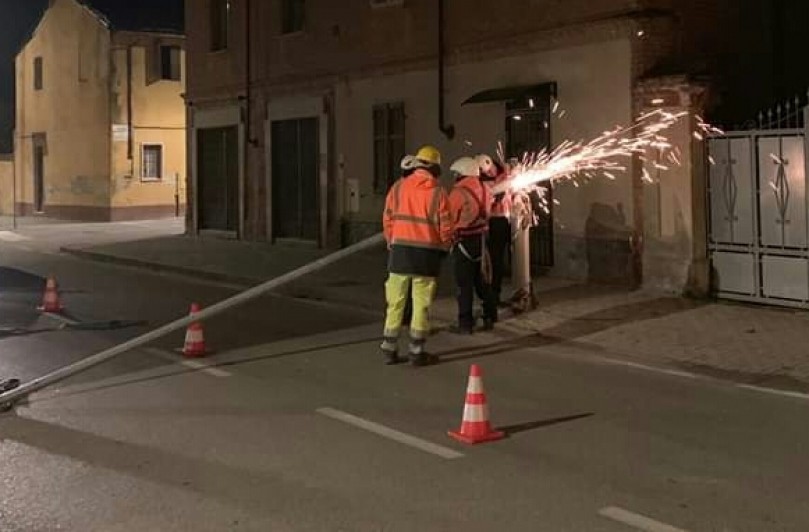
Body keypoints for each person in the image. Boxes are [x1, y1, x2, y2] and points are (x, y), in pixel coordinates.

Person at [381, 146, 453, 366]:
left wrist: (392, 242)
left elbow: (388, 219)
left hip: (400, 252)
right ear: (435, 167)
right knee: (421, 303)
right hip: (427, 255)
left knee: (395, 302)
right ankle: (416, 351)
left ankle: (389, 348)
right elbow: (446, 227)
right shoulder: (439, 192)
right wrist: (445, 246)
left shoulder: (398, 188)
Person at [448, 156, 497, 334]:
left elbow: (449, 218)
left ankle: (465, 323)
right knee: (482, 281)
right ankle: (491, 315)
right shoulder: (485, 189)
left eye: (456, 173)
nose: (455, 177)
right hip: (481, 240)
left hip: (463, 242)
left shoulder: (458, 193)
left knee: (464, 284)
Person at [477, 154, 512, 308]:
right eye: (485, 172)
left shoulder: (506, 175)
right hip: (487, 221)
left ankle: (495, 294)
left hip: (502, 221)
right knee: (487, 261)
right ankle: (487, 294)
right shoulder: (480, 181)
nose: (489, 174)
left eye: (490, 171)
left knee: (497, 260)